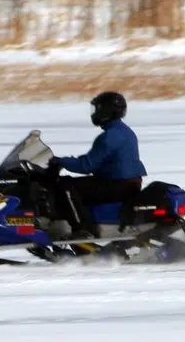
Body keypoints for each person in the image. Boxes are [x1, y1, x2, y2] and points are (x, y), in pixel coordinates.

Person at [43, 91, 147, 237]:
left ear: (107, 111)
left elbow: (87, 165)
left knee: (65, 186)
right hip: (125, 183)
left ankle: (82, 229)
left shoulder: (110, 136)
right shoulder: (123, 131)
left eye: (97, 109)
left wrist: (61, 161)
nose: (94, 113)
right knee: (81, 186)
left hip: (118, 184)